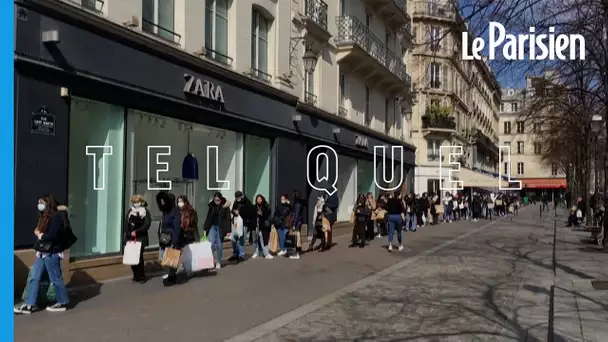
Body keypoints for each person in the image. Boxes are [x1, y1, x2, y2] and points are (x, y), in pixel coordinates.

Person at [15, 195, 70, 314]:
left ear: (48, 204)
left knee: (55, 278)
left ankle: (62, 301)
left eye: (42, 203)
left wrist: (40, 235)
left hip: (52, 252)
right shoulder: (45, 216)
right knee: (34, 277)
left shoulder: (56, 217)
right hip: (42, 252)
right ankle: (30, 304)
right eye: (39, 203)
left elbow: (53, 235)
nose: (39, 205)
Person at [125, 194, 151, 284]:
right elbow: (126, 225)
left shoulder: (145, 211)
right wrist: (129, 233)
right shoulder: (130, 212)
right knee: (132, 257)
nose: (136, 203)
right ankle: (135, 275)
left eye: (138, 202)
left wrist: (137, 231)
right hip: (130, 238)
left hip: (141, 237)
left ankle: (141, 276)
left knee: (139, 257)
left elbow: (147, 224)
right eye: (134, 202)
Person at [156, 191, 181, 284]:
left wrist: (175, 241)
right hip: (164, 239)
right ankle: (169, 274)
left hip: (171, 239)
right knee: (163, 259)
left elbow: (177, 227)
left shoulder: (175, 211)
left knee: (171, 259)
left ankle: (172, 276)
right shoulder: (165, 211)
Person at [203, 192, 232, 270]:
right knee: (211, 245)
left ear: (221, 199)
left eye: (218, 200)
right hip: (212, 227)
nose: (217, 202)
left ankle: (219, 262)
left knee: (219, 246)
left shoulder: (225, 206)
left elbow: (228, 218)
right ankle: (211, 261)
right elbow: (208, 217)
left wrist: (228, 230)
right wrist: (205, 228)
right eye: (215, 200)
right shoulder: (211, 206)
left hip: (220, 228)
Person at [177, 195, 199, 275]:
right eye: (178, 201)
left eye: (181, 201)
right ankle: (184, 266)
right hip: (180, 233)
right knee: (181, 251)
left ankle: (189, 270)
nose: (179, 203)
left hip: (188, 233)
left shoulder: (191, 211)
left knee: (188, 251)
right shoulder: (177, 211)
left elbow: (195, 223)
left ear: (185, 201)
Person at [252, 194, 273, 259]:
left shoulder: (265, 206)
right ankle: (256, 252)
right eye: (258, 199)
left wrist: (261, 214)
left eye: (260, 199)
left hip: (263, 226)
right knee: (256, 240)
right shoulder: (255, 207)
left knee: (263, 240)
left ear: (262, 199)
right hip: (255, 225)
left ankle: (266, 253)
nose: (259, 200)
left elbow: (267, 215)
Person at [291, 190, 305, 259]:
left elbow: (296, 215)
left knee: (296, 238)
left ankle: (297, 254)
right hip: (299, 221)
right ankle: (298, 252)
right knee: (297, 237)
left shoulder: (297, 204)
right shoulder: (299, 203)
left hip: (297, 222)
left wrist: (294, 224)